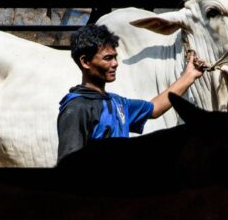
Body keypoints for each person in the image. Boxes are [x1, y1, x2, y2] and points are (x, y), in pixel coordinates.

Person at [57, 24, 206, 161]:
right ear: (85, 62)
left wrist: (190, 75)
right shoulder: (76, 108)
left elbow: (154, 108)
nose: (115, 63)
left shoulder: (117, 103)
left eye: (115, 57)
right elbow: (69, 166)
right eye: (108, 58)